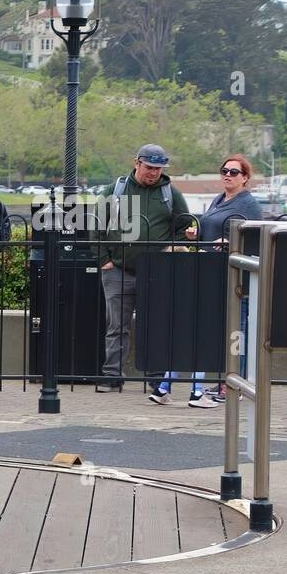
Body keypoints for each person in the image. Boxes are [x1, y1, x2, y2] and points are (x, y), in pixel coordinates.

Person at [96, 143, 191, 398]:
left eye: (158, 169)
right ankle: (112, 376)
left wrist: (175, 247)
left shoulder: (171, 194)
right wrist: (104, 260)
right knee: (117, 326)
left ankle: (156, 378)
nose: (153, 173)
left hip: (157, 271)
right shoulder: (115, 190)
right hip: (118, 269)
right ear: (136, 162)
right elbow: (97, 225)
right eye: (149, 167)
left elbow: (185, 226)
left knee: (156, 325)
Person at [180, 154, 264, 406]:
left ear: (245, 178)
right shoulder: (219, 199)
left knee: (236, 331)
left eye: (234, 172)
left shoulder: (248, 204)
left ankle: (235, 386)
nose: (227, 175)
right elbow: (213, 229)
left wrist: (231, 243)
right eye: (224, 170)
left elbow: (255, 238)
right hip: (212, 274)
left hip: (236, 278)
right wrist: (196, 234)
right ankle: (226, 381)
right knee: (220, 331)